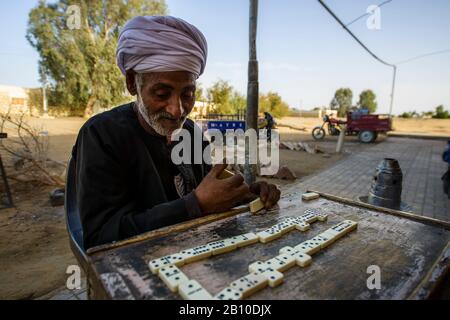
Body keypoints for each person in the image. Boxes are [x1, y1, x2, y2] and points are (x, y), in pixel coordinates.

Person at [72, 16, 281, 249]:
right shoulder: (101, 135)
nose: (177, 110)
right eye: (162, 94)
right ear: (132, 83)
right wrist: (195, 205)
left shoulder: (190, 132)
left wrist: (248, 194)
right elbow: (100, 237)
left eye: (187, 94)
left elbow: (208, 191)